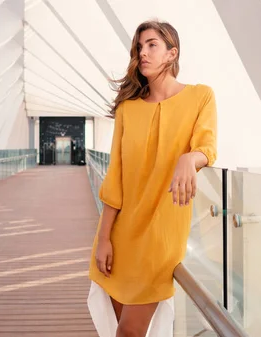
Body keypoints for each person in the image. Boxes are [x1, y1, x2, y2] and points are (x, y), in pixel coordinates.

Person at [88, 19, 217, 337]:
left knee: (129, 332)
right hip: (121, 234)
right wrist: (104, 238)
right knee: (121, 329)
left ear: (171, 54)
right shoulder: (128, 110)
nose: (142, 52)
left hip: (162, 237)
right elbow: (115, 179)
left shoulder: (200, 97)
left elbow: (207, 148)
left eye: (151, 45)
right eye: (139, 47)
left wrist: (190, 159)